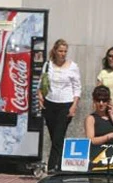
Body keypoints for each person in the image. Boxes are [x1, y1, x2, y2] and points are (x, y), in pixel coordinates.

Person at [38, 39, 81, 172]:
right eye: (60, 51)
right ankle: (61, 163)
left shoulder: (73, 66)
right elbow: (42, 82)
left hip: (66, 104)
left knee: (58, 135)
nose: (63, 54)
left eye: (65, 51)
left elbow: (77, 87)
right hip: (50, 103)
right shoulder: (48, 65)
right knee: (54, 136)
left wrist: (74, 105)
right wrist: (40, 96)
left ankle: (52, 167)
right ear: (55, 51)